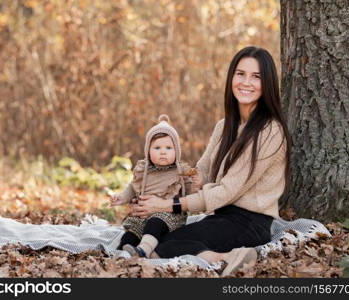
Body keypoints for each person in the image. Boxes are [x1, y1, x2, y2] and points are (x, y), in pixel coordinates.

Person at [130, 46, 291, 276]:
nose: (246, 82)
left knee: (167, 246)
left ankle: (229, 259)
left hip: (251, 223)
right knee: (158, 238)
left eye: (256, 77)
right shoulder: (224, 126)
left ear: (267, 84)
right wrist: (152, 189)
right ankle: (223, 257)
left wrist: (165, 205)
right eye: (240, 74)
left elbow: (226, 192)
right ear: (231, 78)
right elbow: (201, 170)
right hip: (222, 217)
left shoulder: (269, 131)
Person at [110, 114, 199, 258]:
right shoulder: (143, 169)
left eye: (169, 148)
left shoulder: (181, 171)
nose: (163, 152)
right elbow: (133, 187)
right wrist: (121, 198)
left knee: (155, 224)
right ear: (148, 151)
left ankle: (143, 250)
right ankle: (124, 253)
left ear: (177, 150)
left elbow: (190, 194)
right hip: (143, 216)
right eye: (157, 148)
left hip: (169, 216)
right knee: (131, 234)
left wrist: (195, 185)